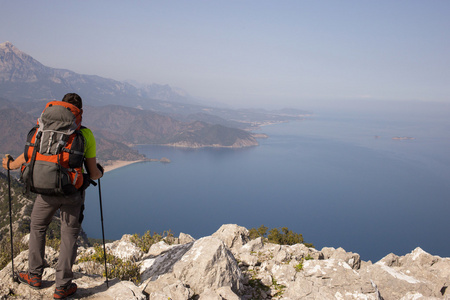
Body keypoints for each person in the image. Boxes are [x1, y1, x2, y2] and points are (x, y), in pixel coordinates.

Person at [2, 93, 103, 299]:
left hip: (45, 191)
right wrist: (100, 172)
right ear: (79, 113)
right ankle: (62, 286)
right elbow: (93, 174)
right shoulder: (85, 134)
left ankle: (34, 275)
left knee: (37, 227)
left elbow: (29, 156)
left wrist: (9, 165)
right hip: (71, 193)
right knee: (69, 235)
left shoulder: (42, 129)